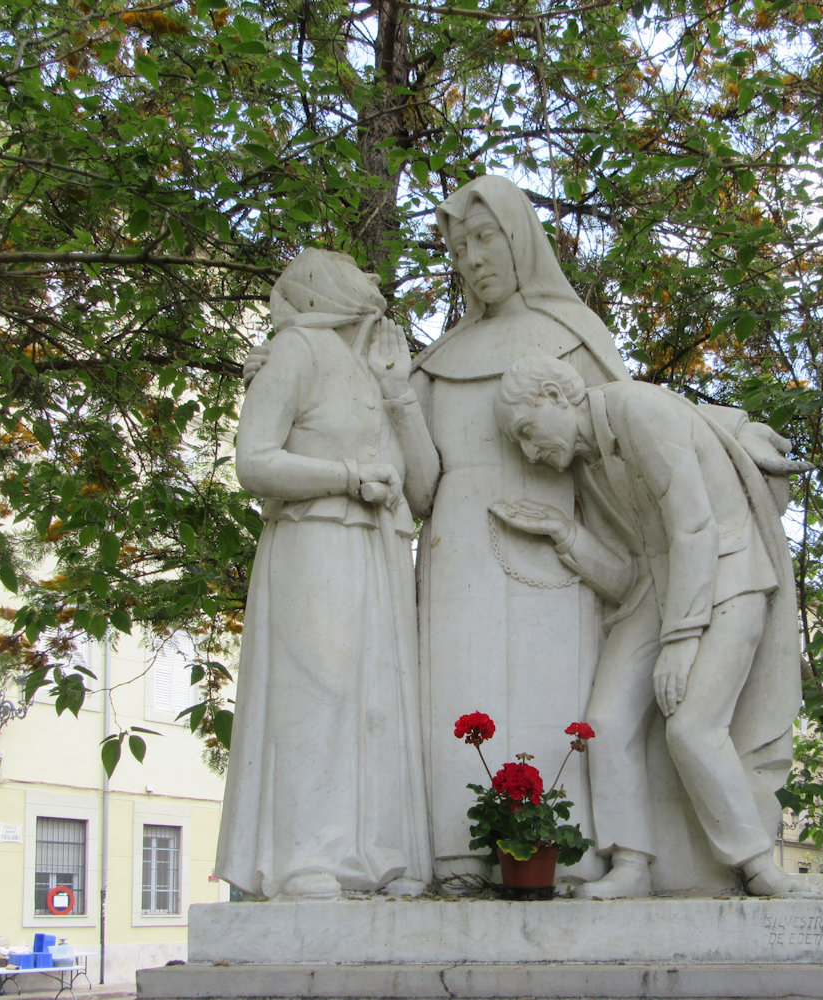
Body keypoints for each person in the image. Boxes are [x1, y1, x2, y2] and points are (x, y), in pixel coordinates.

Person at [490, 355, 815, 897]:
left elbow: (694, 524)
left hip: (728, 578)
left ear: (555, 393)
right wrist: (565, 534)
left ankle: (758, 865)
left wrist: (681, 643)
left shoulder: (636, 408)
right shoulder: (588, 466)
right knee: (606, 722)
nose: (529, 452)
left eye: (527, 431)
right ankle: (632, 864)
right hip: (657, 592)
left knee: (692, 727)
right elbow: (626, 576)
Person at [399, 176, 629, 880]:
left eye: (483, 238)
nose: (470, 259)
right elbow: (418, 487)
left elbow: (619, 453)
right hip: (457, 562)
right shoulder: (435, 365)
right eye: (458, 246)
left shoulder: (573, 341)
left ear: (518, 237)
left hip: (551, 566)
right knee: (458, 703)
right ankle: (458, 855)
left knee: (551, 702)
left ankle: (564, 856)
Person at [215, 250, 433, 899]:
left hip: (380, 551)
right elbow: (254, 463)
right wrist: (342, 478)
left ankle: (376, 854)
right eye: (356, 275)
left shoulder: (379, 369)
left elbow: (422, 490)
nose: (372, 282)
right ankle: (305, 855)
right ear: (324, 287)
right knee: (318, 690)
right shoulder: (297, 352)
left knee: (378, 697)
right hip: (314, 540)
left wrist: (399, 394)